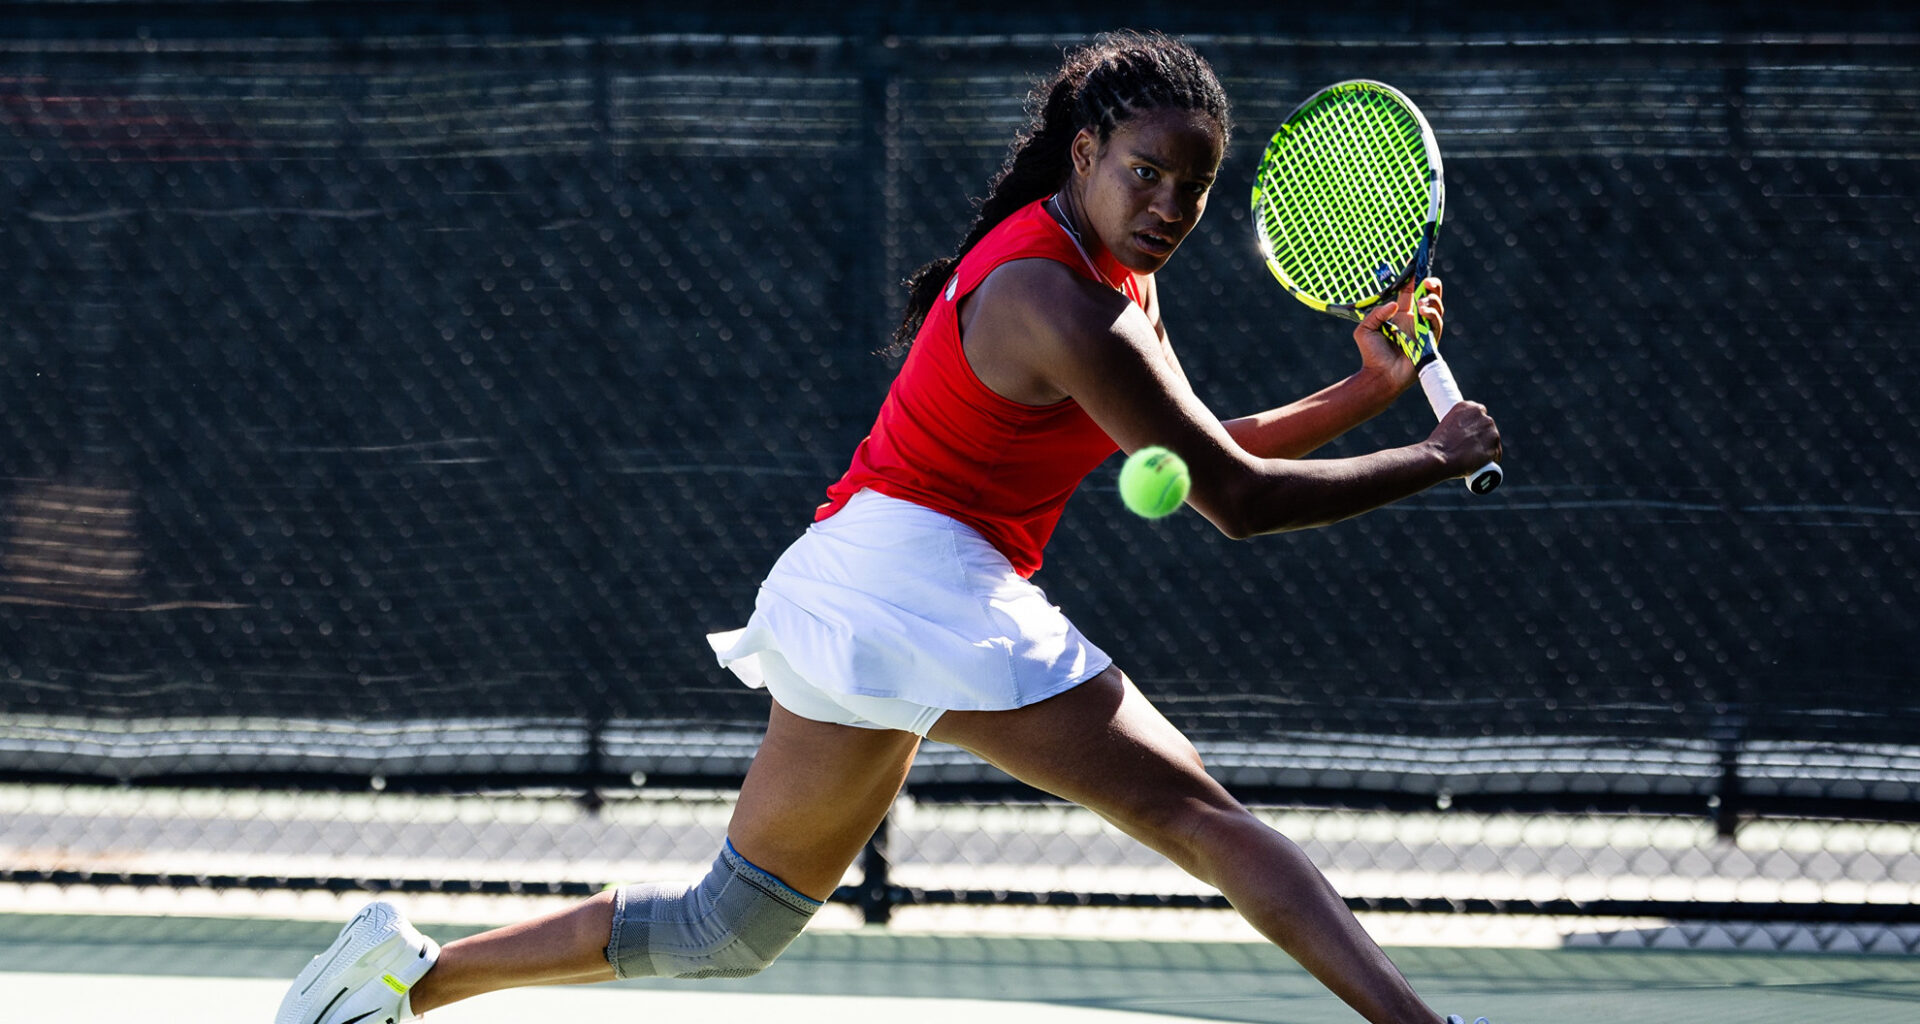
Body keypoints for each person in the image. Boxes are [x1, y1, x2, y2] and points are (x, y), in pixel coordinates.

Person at [276, 30, 1502, 1024]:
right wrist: (1434, 457)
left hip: (848, 578)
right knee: (1208, 820)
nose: (1171, 202)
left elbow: (1198, 454)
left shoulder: (1111, 279)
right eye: (1146, 171)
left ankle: (406, 980)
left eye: (1194, 184)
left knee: (728, 924)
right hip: (922, 585)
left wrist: (1366, 396)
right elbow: (1232, 502)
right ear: (1085, 152)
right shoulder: (1057, 298)